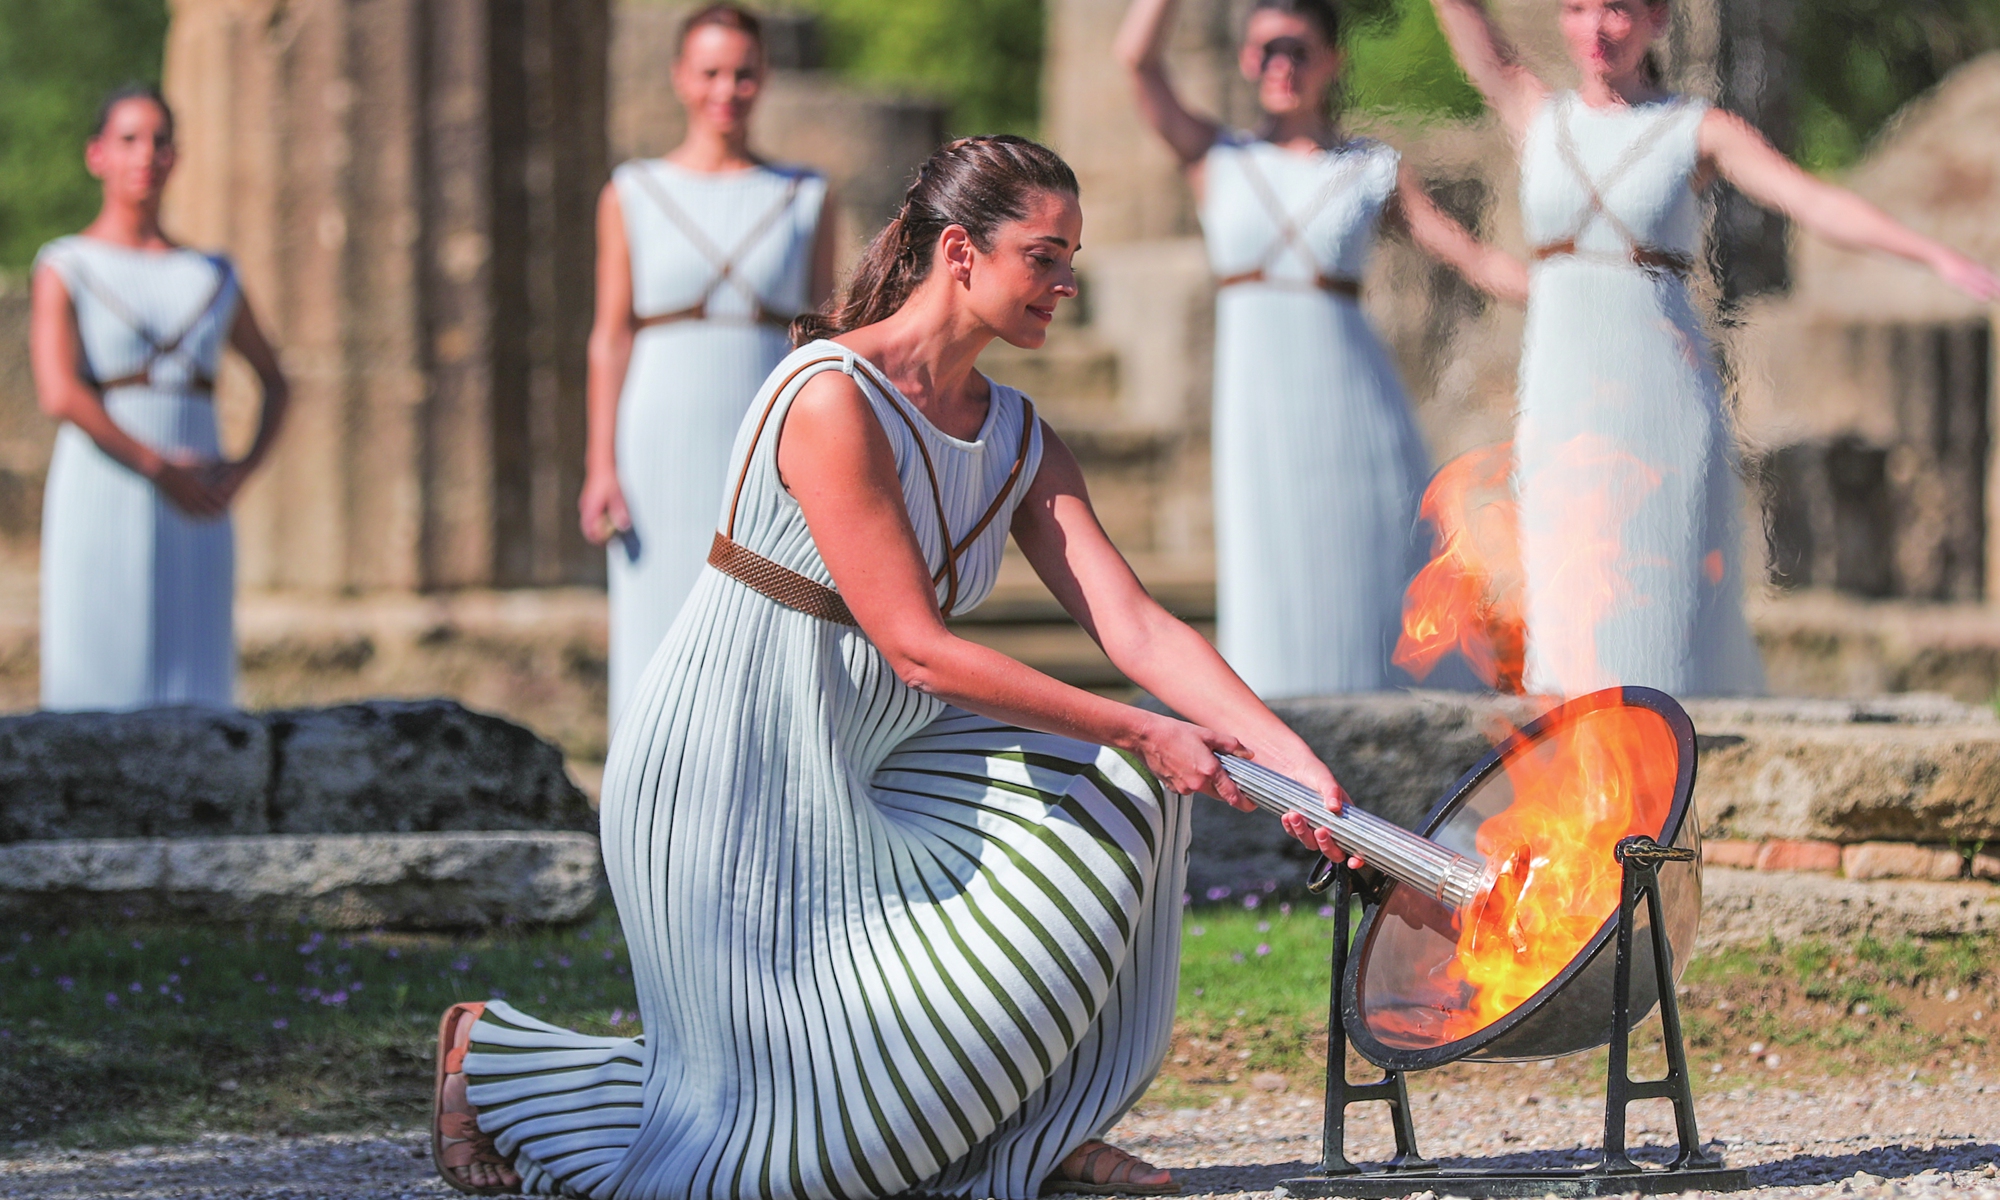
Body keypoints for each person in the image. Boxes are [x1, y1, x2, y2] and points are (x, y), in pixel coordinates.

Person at [432, 135, 1357, 1199]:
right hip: (732, 776)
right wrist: (1142, 726)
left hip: (876, 763)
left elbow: (1134, 625)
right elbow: (916, 650)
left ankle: (1025, 1135)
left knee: (1119, 798)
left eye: (1071, 259)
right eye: (1044, 256)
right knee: (783, 1158)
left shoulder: (1014, 433)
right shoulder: (829, 396)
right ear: (959, 251)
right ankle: (496, 1057)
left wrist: (1297, 767)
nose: (1065, 283)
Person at [1424, 0, 2000, 696]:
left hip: (1661, 401)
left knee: (1667, 612)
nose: (1597, 29)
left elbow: (1808, 199)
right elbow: (1471, 33)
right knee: (1568, 612)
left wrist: (1931, 254)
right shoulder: (1537, 117)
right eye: (1577, 9)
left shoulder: (1694, 131)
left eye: (1617, 10)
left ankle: (1692, 778)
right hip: (1560, 397)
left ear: (1656, 20)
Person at [1114, 0, 1527, 699]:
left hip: (1355, 405)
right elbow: (1137, 60)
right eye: (1265, 50)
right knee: (1267, 574)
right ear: (1247, 61)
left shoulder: (1370, 168)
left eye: (1297, 50)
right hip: (1258, 406)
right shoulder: (1218, 157)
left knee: (1377, 570)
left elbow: (1470, 257)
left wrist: (1582, 284)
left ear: (1331, 61)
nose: (1281, 65)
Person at [579, 3, 836, 728]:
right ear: (680, 79)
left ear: (765, 79)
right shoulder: (632, 191)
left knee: (762, 613)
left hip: (762, 423)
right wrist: (601, 463)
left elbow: (821, 339)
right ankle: (644, 805)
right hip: (657, 424)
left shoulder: (805, 195)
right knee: (656, 612)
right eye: (712, 72)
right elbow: (610, 335)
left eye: (744, 73)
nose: (728, 89)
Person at [29, 84, 289, 712]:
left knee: (193, 672)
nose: (146, 155)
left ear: (176, 156)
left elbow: (276, 381)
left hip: (198, 499)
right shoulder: (67, 264)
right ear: (98, 155)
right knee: (97, 677)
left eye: (160, 140)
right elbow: (59, 391)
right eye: (129, 139)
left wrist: (241, 470)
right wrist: (156, 466)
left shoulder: (212, 273)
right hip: (104, 484)